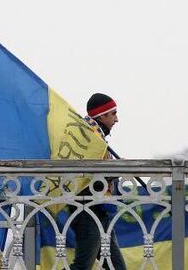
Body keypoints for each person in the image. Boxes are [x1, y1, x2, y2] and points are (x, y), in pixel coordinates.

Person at [69, 93, 126, 270]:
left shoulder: (95, 137)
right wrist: (117, 168)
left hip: (98, 209)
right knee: (82, 266)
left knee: (116, 267)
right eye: (113, 114)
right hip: (87, 208)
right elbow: (91, 171)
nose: (116, 119)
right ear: (102, 115)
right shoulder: (90, 137)